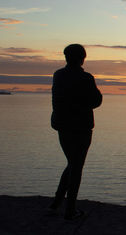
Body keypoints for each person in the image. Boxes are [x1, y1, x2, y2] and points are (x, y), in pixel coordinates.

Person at [49, 44, 103, 220]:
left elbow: (58, 100)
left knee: (72, 163)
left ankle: (57, 203)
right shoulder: (86, 78)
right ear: (82, 58)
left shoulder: (58, 75)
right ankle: (69, 210)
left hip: (63, 126)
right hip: (81, 127)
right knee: (76, 166)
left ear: (66, 57)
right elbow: (96, 100)